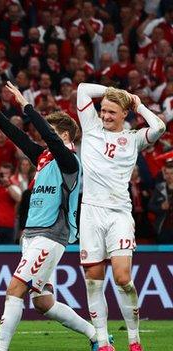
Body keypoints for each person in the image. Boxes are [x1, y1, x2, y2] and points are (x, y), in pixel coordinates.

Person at [0, 83, 104, 351]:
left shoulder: (70, 162)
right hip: (31, 235)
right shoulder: (44, 158)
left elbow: (48, 137)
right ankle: (95, 335)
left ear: (63, 134)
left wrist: (25, 105)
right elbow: (20, 139)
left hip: (51, 236)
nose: (42, 139)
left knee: (15, 288)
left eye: (51, 132)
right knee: (42, 302)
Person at [76, 83, 165, 351]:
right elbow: (82, 89)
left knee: (123, 277)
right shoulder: (91, 127)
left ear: (124, 114)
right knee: (93, 280)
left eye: (112, 112)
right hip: (90, 212)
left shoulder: (134, 138)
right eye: (103, 110)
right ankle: (103, 343)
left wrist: (137, 104)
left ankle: (134, 339)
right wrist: (114, 91)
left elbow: (159, 127)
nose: (104, 116)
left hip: (119, 214)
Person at [149, 162, 173, 243]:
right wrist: (161, 207)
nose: (169, 176)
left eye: (172, 173)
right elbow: (150, 206)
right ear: (164, 174)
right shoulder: (159, 188)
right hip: (163, 229)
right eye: (167, 173)